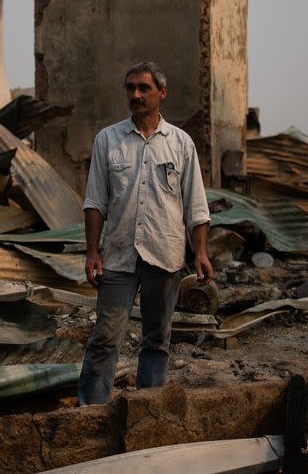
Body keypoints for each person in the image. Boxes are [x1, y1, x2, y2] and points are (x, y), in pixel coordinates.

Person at [78, 61, 213, 406]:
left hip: (164, 255)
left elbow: (196, 206)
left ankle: (147, 412)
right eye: (131, 88)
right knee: (105, 338)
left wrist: (200, 252)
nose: (136, 94)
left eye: (144, 88)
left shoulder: (181, 144)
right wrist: (92, 252)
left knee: (157, 340)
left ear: (161, 92)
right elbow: (95, 201)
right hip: (119, 257)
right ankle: (91, 412)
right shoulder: (107, 140)